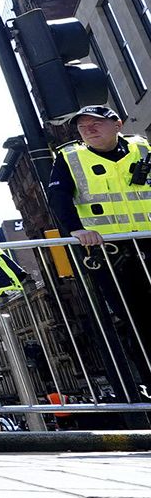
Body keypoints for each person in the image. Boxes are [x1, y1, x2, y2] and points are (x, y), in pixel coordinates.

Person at [46, 105, 151, 396]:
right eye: (82, 127)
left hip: (148, 241)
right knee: (134, 319)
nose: (89, 130)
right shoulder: (70, 157)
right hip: (110, 251)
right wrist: (75, 230)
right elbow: (58, 196)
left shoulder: (143, 149)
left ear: (117, 124)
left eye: (96, 123)